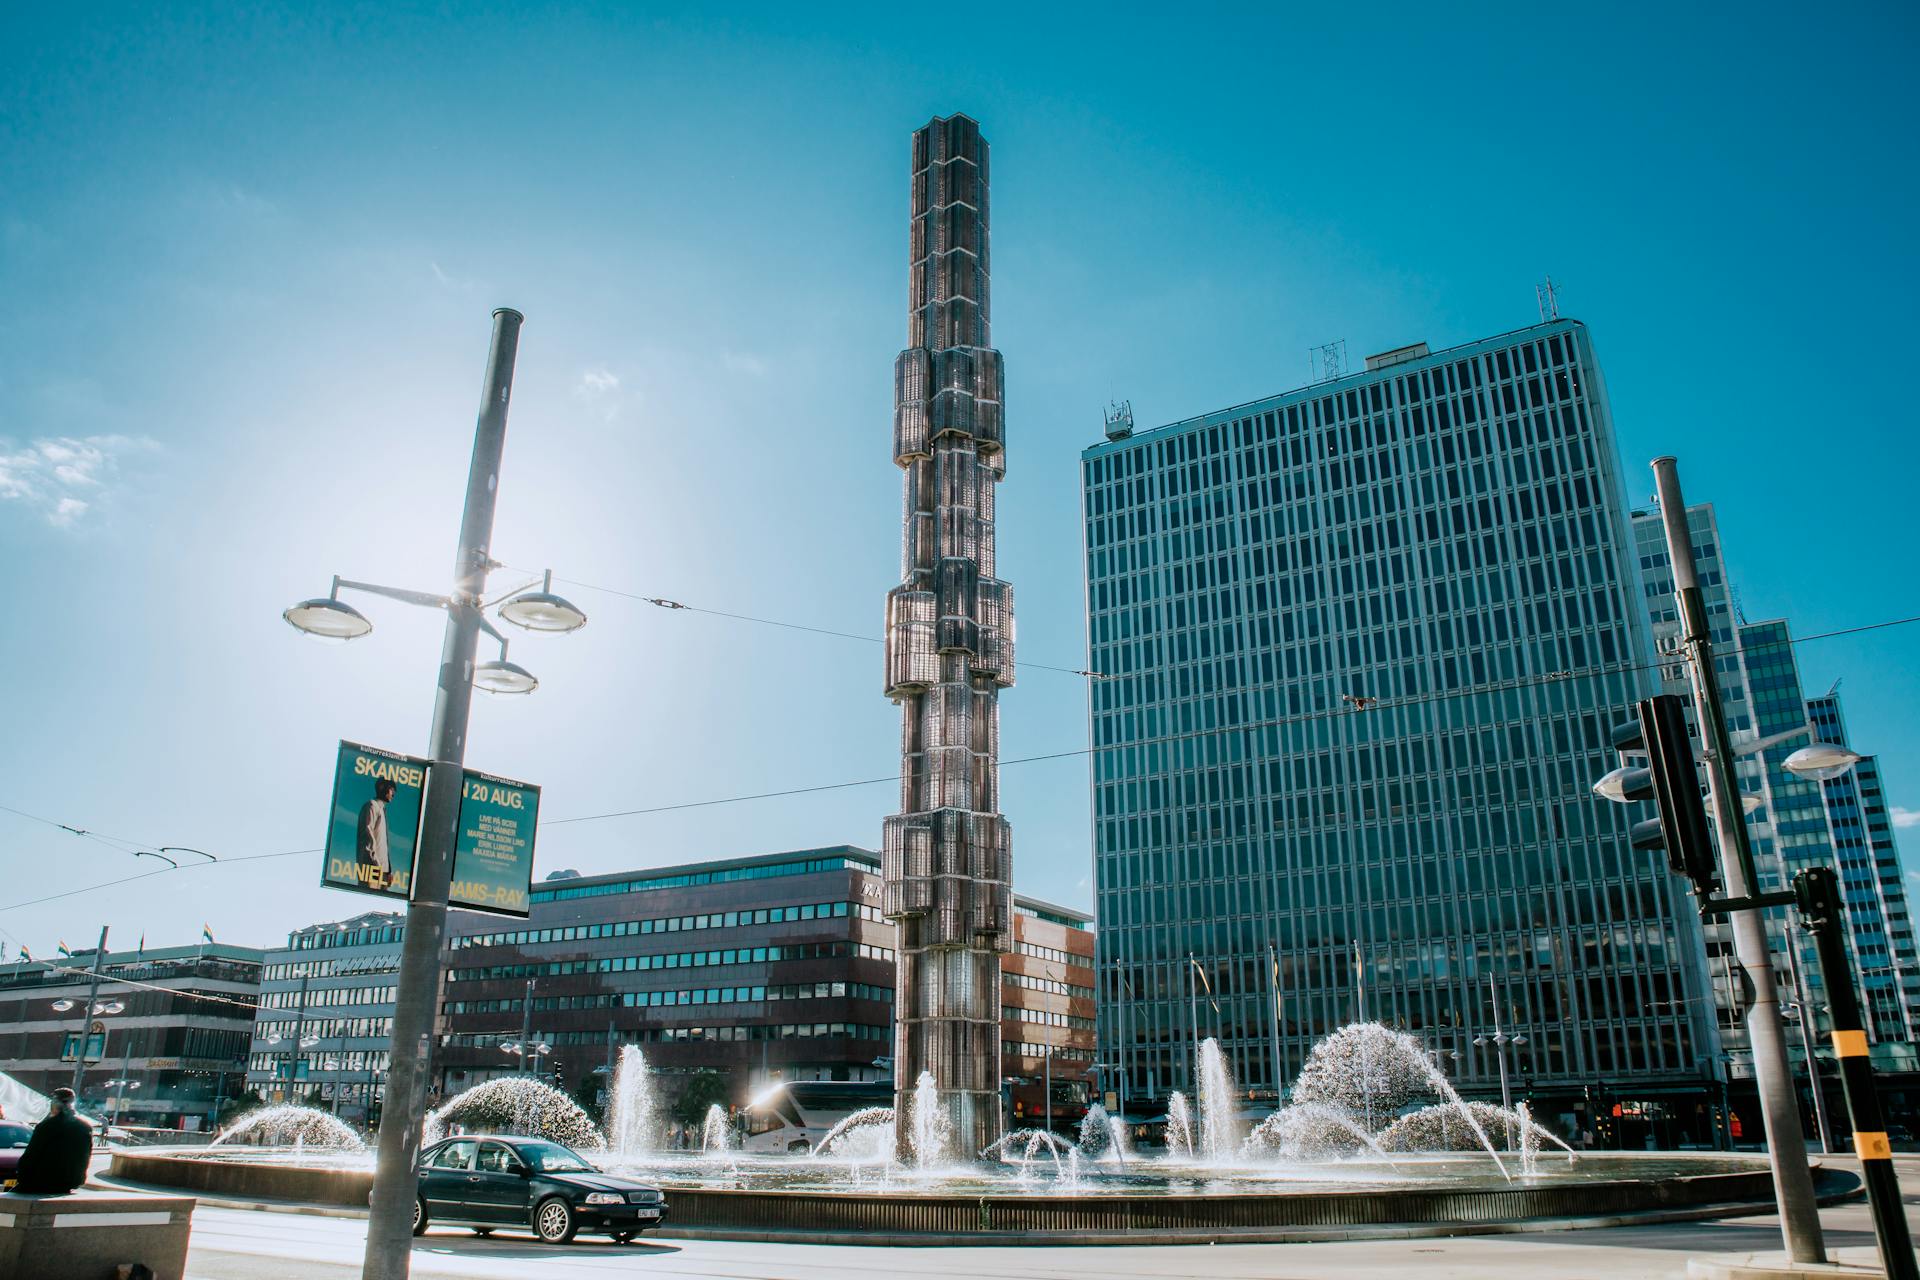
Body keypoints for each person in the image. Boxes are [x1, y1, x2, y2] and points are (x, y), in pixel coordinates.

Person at [9, 1087, 92, 1195]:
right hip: (71, 1182)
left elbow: (30, 1157)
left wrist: (21, 1176)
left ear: (55, 1102)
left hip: (43, 1182)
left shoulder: (47, 1126)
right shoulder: (85, 1127)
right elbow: (86, 1156)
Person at [356, 778, 395, 885]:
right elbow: (367, 839)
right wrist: (377, 867)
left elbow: (384, 847)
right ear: (383, 788)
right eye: (392, 790)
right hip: (372, 870)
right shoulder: (372, 805)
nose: (393, 794)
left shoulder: (382, 810)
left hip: (382, 874)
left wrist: (388, 872)